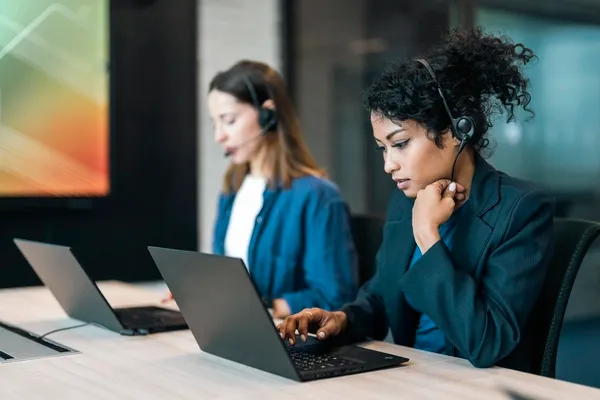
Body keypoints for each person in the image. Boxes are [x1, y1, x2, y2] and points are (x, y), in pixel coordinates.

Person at [277, 27, 555, 370]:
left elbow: (486, 343)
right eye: (382, 148)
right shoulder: (404, 202)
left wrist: (428, 235)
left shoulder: (521, 210)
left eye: (401, 143)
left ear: (457, 131)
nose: (388, 164)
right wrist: (342, 319)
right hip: (416, 379)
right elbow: (380, 298)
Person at [164, 60, 359, 318]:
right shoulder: (231, 190)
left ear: (268, 114)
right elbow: (228, 278)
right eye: (215, 123)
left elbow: (335, 295)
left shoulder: (318, 196)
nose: (219, 136)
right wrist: (201, 293)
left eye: (229, 120)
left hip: (289, 340)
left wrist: (267, 307)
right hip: (234, 329)